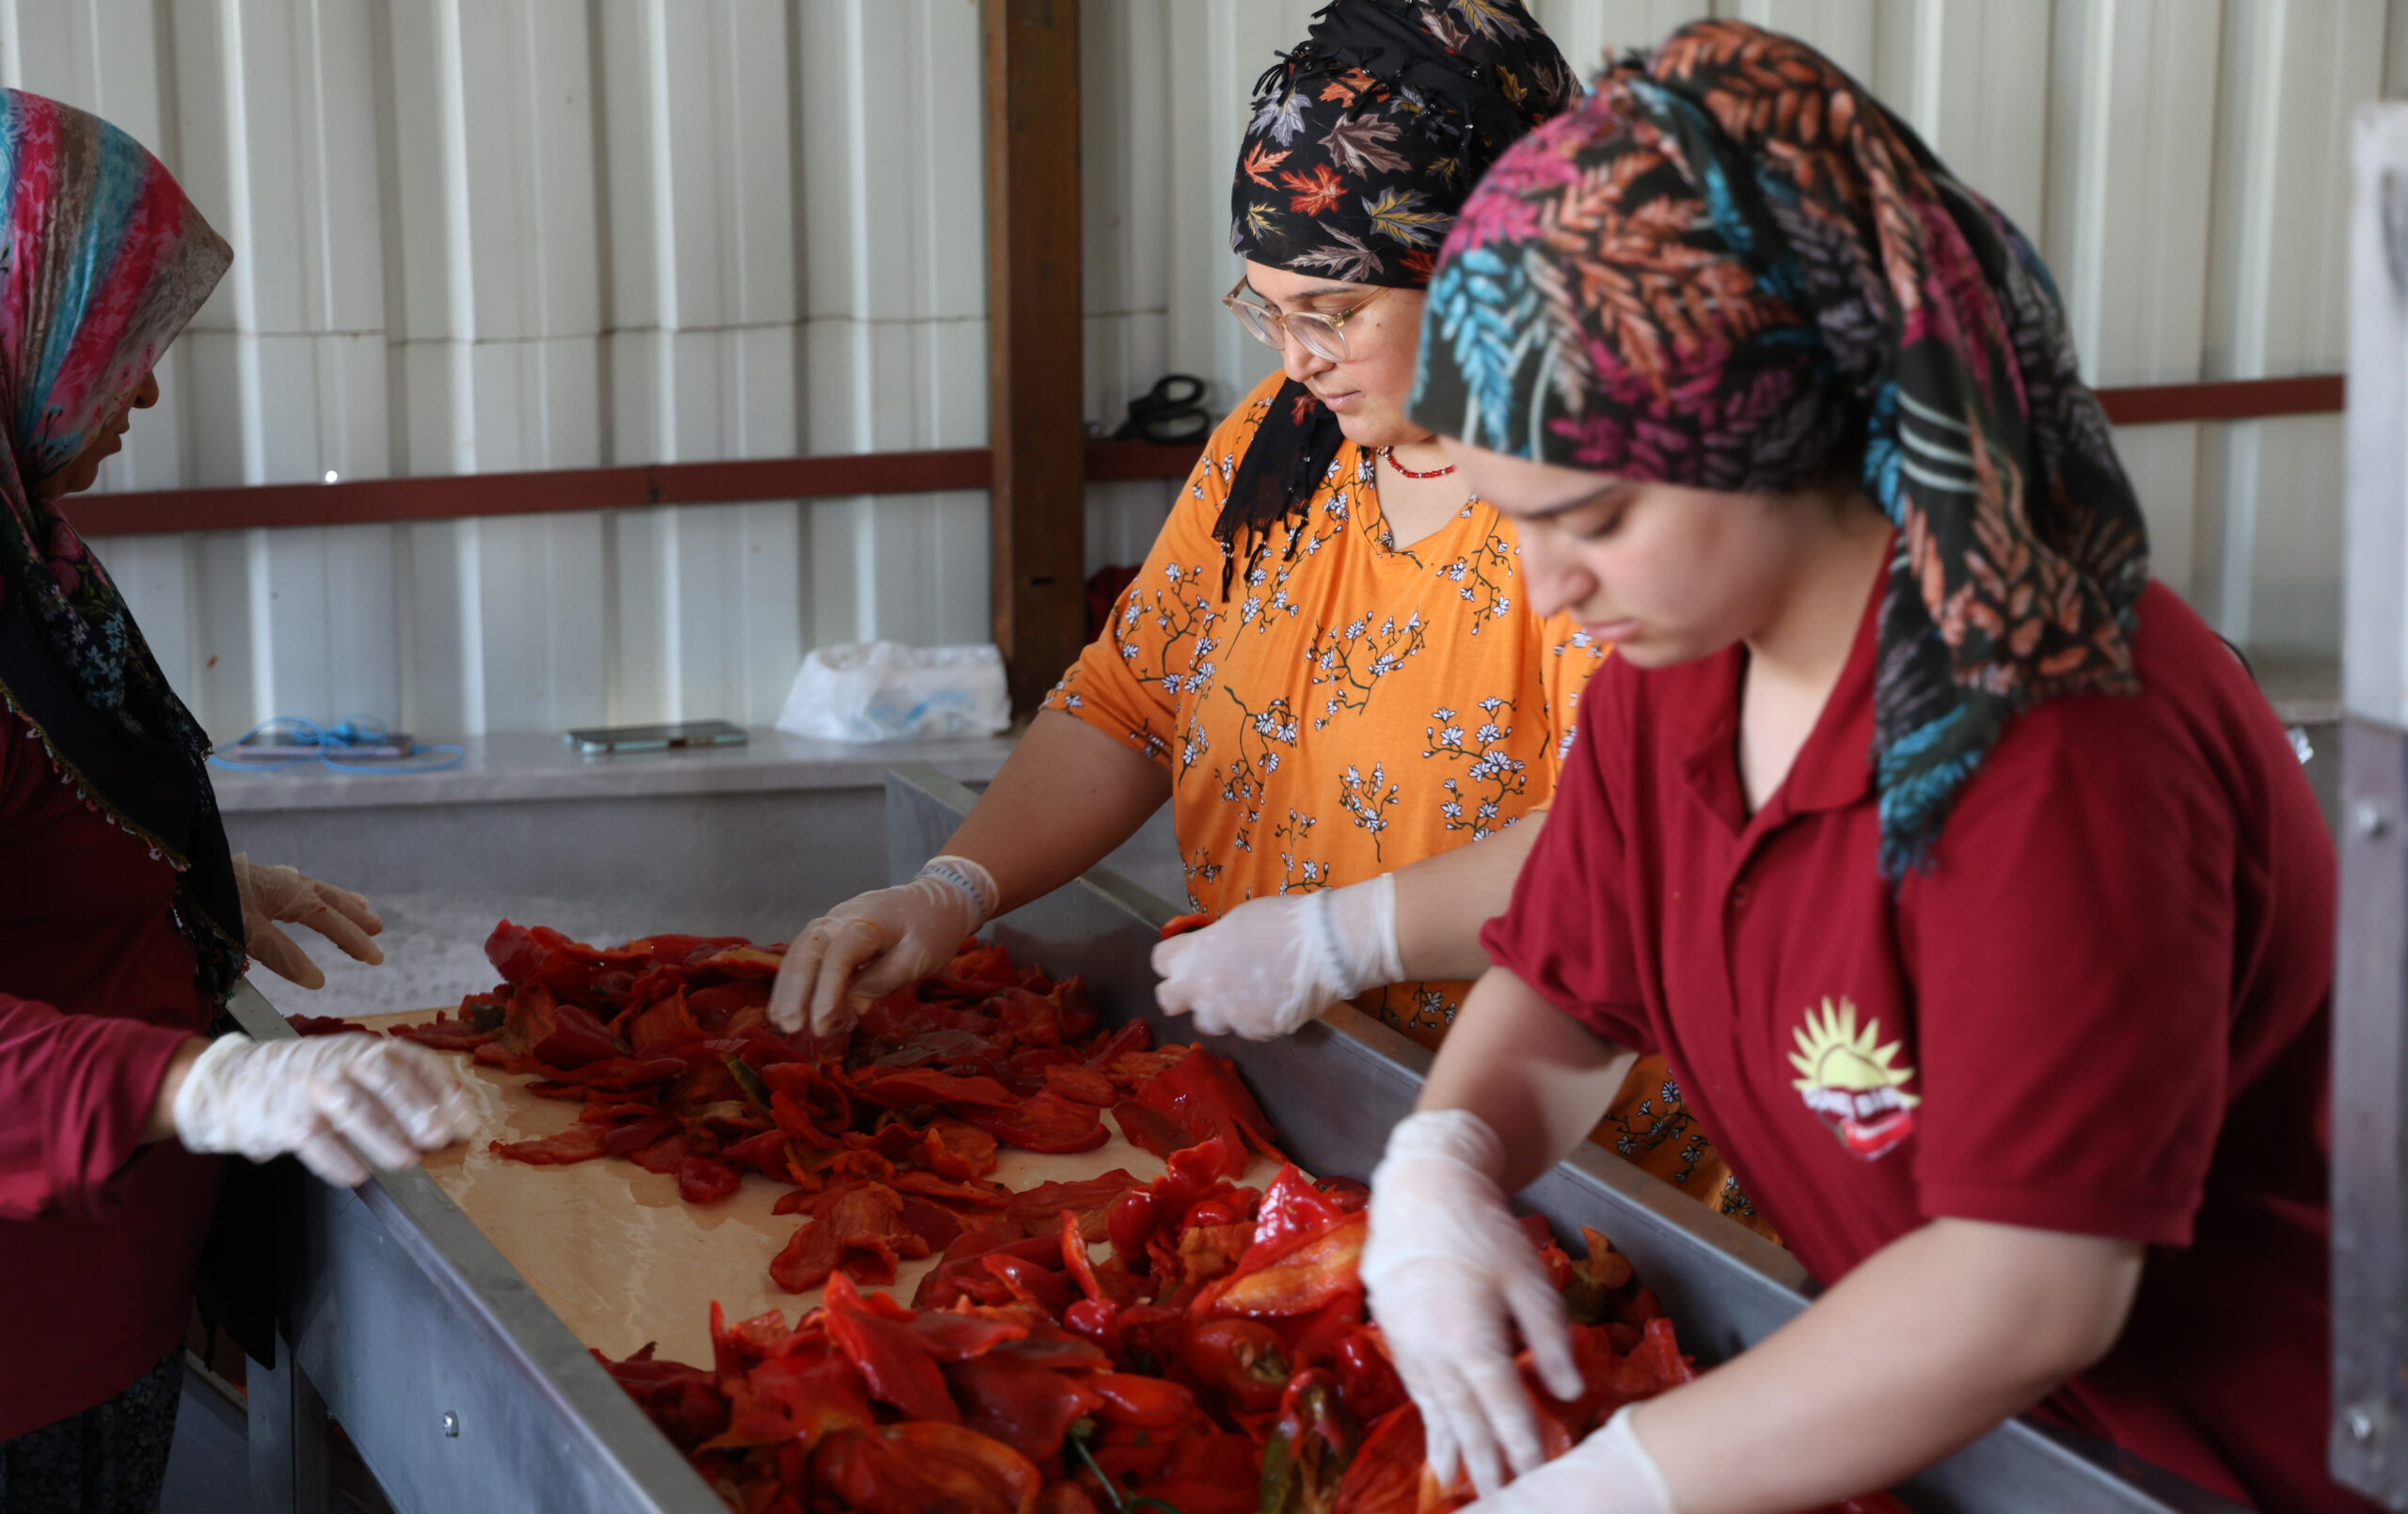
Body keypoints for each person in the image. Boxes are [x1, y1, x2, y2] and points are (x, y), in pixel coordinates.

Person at [1355, 21, 2367, 1514]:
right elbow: (1575, 986)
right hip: (1959, 1434)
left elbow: (2029, 1289)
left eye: (1592, 517)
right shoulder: (1677, 663)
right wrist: (1443, 1167)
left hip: (2214, 1469)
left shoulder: (2055, 727)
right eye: (1512, 520)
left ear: (1773, 426)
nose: (1549, 585)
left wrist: (1617, 1487)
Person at [769, 0, 1763, 1233]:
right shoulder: (1285, 445)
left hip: (1586, 1175)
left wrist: (1341, 938)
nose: (1297, 354)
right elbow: (1134, 697)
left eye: (1336, 312)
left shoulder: (1601, 498)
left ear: (1476, 277)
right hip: (1319, 1112)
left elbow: (1634, 843)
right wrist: (956, 886)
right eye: (1268, 307)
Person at [0, 91, 473, 1509]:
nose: (143, 388)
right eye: (121, 337)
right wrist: (204, 1078)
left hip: (94, 1320)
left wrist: (183, 889)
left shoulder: (27, 553)